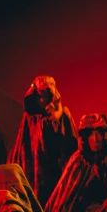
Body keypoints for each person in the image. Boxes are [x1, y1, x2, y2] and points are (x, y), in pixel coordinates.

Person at [8, 75, 77, 203]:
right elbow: (22, 146)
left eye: (46, 96)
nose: (43, 100)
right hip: (34, 173)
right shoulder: (30, 118)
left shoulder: (63, 115)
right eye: (40, 96)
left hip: (56, 172)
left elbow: (71, 146)